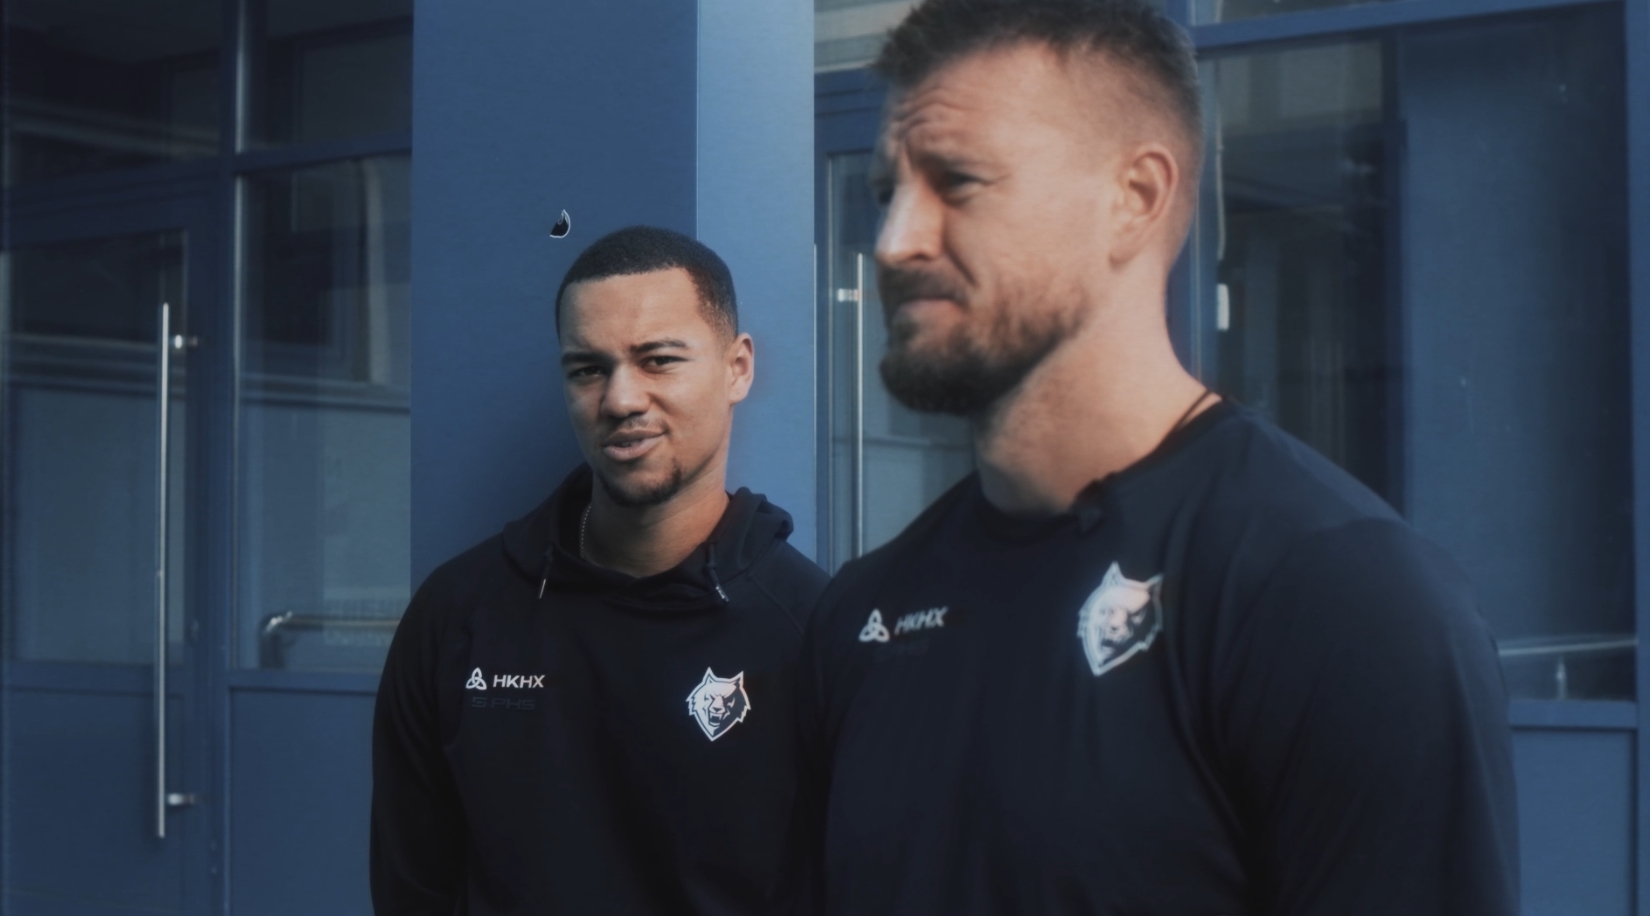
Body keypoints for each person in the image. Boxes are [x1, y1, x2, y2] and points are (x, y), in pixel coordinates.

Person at [789, 1, 1519, 913]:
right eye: (885, 193)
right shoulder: (864, 614)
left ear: (1133, 199)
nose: (895, 241)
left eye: (958, 181)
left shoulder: (1338, 599)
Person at [372, 226, 829, 915]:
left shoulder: (816, 632)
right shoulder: (458, 615)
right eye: (588, 369)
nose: (620, 400)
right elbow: (412, 885)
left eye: (658, 360)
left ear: (737, 368)